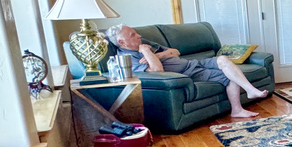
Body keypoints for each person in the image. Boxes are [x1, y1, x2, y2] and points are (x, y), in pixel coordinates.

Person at [105, 25, 268, 118]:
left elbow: (175, 51)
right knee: (230, 74)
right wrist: (146, 52)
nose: (139, 35)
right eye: (133, 35)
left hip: (193, 64)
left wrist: (158, 54)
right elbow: (157, 70)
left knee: (225, 61)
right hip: (190, 75)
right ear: (122, 42)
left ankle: (244, 100)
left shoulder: (146, 43)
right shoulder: (127, 58)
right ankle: (241, 104)